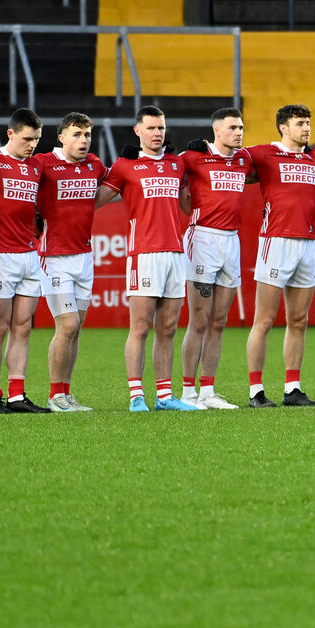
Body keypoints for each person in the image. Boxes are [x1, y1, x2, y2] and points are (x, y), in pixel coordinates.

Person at [243, 104, 315, 407]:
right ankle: (256, 391)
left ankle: (292, 389)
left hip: (306, 244)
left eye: (308, 122)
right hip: (275, 242)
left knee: (299, 320)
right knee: (263, 321)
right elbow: (232, 159)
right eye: (300, 123)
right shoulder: (263, 153)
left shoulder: (312, 158)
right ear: (283, 128)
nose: (306, 128)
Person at [95, 105, 200, 411]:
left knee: (167, 329)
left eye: (161, 128)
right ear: (137, 130)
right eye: (151, 128)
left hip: (175, 254)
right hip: (144, 255)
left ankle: (165, 397)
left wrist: (201, 152)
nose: (157, 133)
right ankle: (136, 395)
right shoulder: (126, 166)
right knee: (140, 328)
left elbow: (187, 203)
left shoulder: (176, 164)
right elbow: (94, 200)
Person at [31, 112, 107, 412]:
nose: (83, 140)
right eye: (76, 134)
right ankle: (54, 396)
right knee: (67, 324)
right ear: (61, 137)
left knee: (76, 329)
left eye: (87, 135)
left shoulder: (95, 165)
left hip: (84, 257)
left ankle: (66, 392)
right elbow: (9, 173)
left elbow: (115, 181)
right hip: (54, 257)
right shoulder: (43, 164)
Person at [0, 108, 50, 412]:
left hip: (29, 255)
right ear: (11, 134)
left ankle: (17, 395)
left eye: (36, 139)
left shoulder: (35, 165)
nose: (31, 145)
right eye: (26, 138)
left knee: (23, 327)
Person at [175, 108, 249, 410]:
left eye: (242, 127)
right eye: (233, 127)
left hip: (231, 240)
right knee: (199, 320)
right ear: (216, 131)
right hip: (202, 237)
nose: (239, 132)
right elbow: (165, 168)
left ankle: (208, 392)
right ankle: (187, 393)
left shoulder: (244, 159)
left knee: (219, 322)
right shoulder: (193, 157)